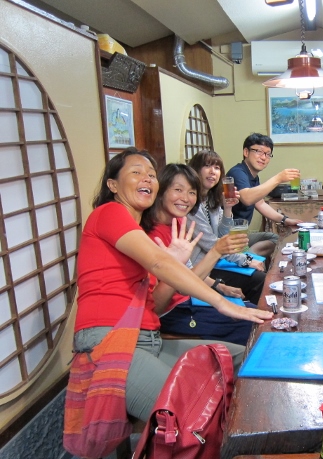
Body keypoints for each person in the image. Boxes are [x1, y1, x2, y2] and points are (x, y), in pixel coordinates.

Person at [73, 147, 272, 421]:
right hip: (110, 340)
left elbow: (157, 304)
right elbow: (158, 263)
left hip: (148, 337)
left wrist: (178, 265)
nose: (147, 178)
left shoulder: (143, 230)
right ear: (113, 185)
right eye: (136, 172)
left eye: (151, 174)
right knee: (193, 415)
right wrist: (223, 303)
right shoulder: (109, 212)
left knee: (243, 357)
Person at [146, 163, 254, 345]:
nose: (185, 198)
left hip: (189, 299)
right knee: (251, 324)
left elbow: (189, 273)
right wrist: (217, 250)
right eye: (178, 190)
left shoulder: (178, 223)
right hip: (172, 312)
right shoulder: (149, 236)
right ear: (161, 191)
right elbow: (165, 298)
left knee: (254, 309)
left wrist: (220, 286)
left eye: (192, 192)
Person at [188, 150, 267, 305]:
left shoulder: (210, 200)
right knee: (259, 280)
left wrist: (228, 209)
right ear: (195, 170)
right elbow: (213, 244)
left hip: (215, 261)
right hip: (202, 269)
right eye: (207, 166)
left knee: (261, 274)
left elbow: (223, 235)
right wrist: (246, 260)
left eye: (217, 168)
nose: (213, 172)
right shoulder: (190, 204)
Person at [227, 133, 302, 253]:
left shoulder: (253, 176)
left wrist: (285, 220)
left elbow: (260, 203)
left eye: (268, 154)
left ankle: (246, 257)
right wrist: (278, 178)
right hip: (228, 236)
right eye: (259, 151)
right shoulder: (237, 172)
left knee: (276, 239)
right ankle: (244, 259)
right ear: (246, 152)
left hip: (241, 234)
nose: (263, 157)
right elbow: (247, 198)